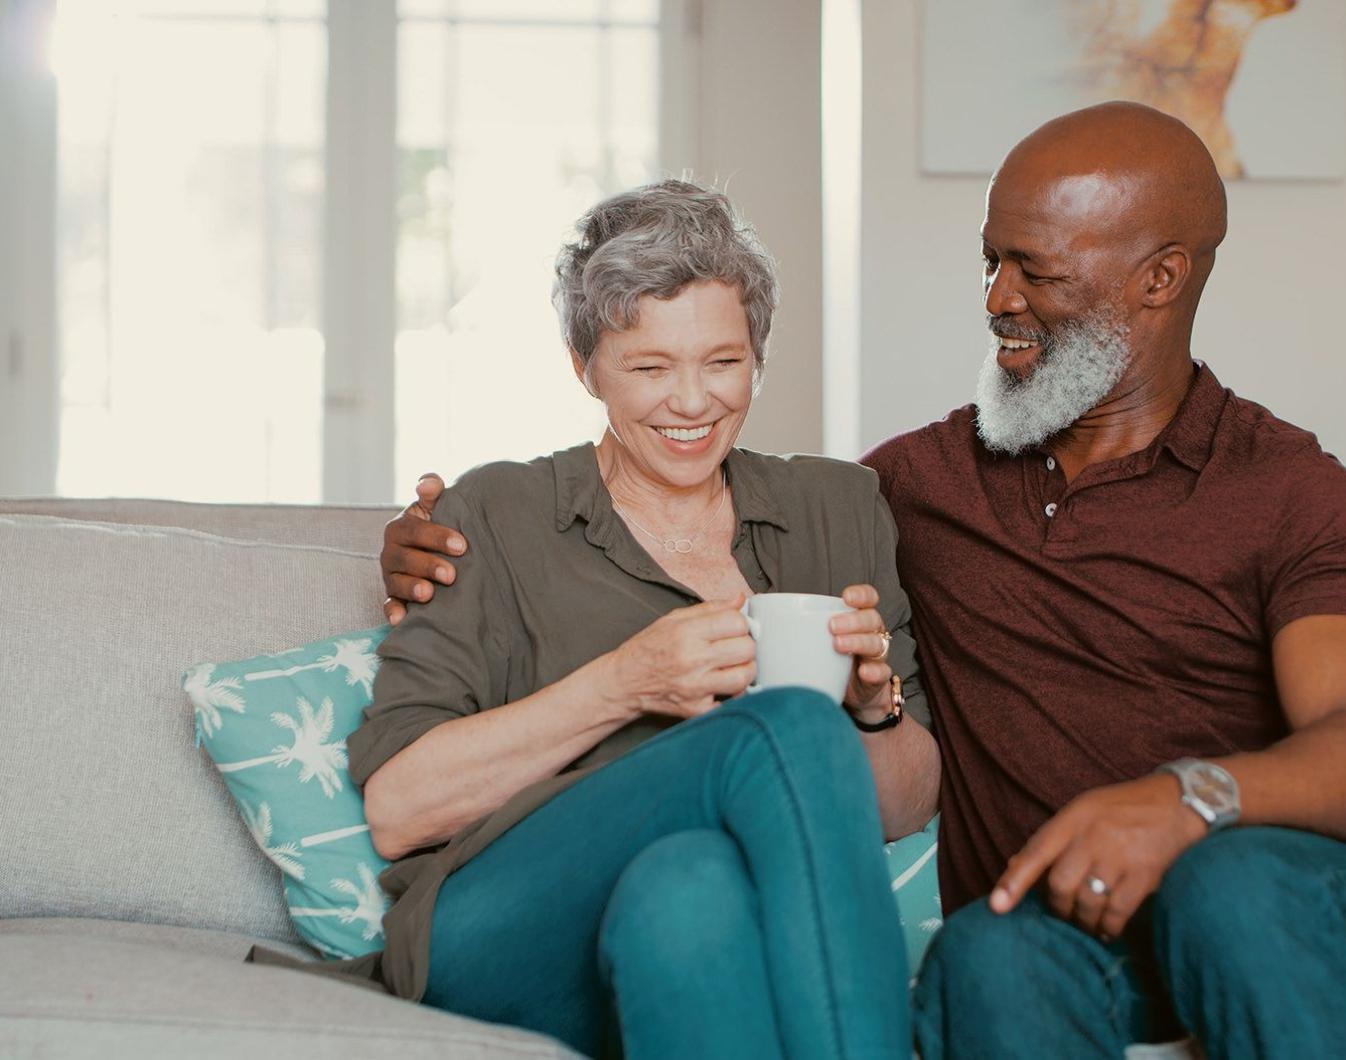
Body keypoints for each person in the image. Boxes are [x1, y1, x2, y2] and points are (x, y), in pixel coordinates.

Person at [384, 104, 1346, 1059]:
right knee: (982, 949)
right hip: (1053, 925)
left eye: (1035, 271)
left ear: (1159, 278)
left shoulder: (1285, 485)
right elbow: (406, 790)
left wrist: (1186, 800)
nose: (997, 300)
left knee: (1227, 883)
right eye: (990, 264)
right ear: (589, 367)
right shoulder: (916, 486)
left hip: (1273, 895)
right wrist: (418, 546)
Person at [320, 179, 937, 1060]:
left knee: (690, 891)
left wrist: (874, 712)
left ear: (758, 355)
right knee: (787, 725)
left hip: (695, 916)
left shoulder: (840, 508)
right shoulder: (494, 511)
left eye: (722, 362)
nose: (691, 403)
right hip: (503, 927)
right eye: (649, 367)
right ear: (586, 366)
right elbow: (400, 811)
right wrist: (624, 683)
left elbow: (907, 803)